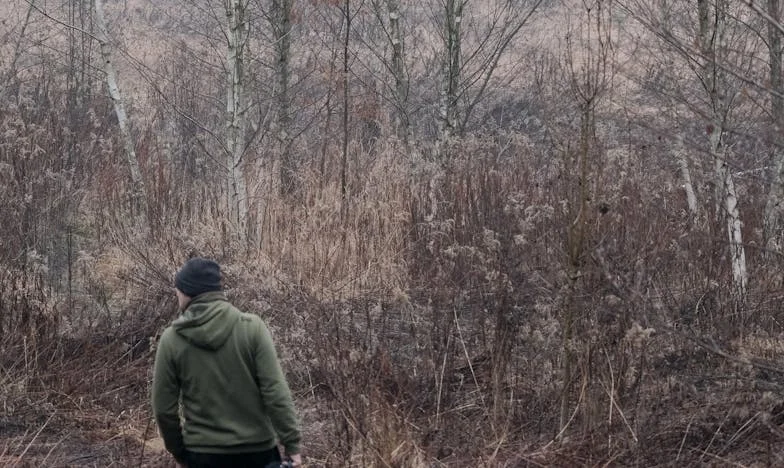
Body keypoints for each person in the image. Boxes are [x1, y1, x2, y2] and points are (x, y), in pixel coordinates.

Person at [152, 257, 302, 468]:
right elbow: (275, 391)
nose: (176, 295)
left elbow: (163, 410)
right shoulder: (253, 329)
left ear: (186, 292)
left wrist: (180, 454)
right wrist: (292, 444)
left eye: (177, 289)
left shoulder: (172, 339)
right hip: (258, 453)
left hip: (202, 455)